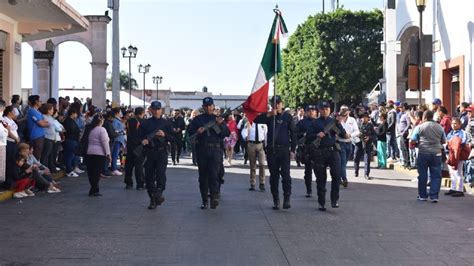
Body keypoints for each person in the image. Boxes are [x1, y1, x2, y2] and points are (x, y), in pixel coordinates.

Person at [254, 95, 297, 210]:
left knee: (286, 176)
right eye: (274, 103)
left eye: (278, 103)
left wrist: (293, 150)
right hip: (272, 150)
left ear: (282, 104)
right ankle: (276, 200)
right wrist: (269, 114)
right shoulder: (269, 116)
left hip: (284, 150)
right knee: (274, 177)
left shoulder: (287, 117)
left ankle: (287, 199)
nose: (276, 105)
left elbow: (293, 134)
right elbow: (256, 120)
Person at [188, 97, 229, 209]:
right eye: (206, 106)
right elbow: (190, 134)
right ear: (203, 107)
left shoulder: (217, 119)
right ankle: (205, 200)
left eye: (210, 105)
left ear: (213, 106)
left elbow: (225, 133)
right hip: (203, 150)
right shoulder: (197, 120)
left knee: (214, 174)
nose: (208, 108)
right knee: (203, 176)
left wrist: (220, 124)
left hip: (216, 150)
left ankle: (214, 196)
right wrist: (198, 131)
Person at [306, 101, 346, 211]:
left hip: (333, 151)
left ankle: (334, 200)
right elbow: (308, 137)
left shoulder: (333, 122)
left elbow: (343, 134)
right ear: (319, 110)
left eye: (327, 109)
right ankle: (321, 202)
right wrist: (317, 135)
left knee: (337, 175)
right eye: (323, 109)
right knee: (321, 179)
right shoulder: (315, 123)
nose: (325, 110)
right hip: (320, 153)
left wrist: (338, 124)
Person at [140, 101, 174, 210]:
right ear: (150, 110)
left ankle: (159, 192)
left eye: (158, 109)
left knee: (160, 173)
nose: (156, 111)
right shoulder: (145, 123)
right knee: (149, 177)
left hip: (161, 151)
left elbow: (173, 138)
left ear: (161, 110)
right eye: (154, 109)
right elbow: (138, 136)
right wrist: (144, 140)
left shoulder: (166, 123)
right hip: (149, 152)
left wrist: (165, 135)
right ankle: (152, 199)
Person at [410, 110, 446, 203]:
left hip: (423, 153)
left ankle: (422, 195)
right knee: (436, 175)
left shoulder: (419, 127)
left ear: (424, 117)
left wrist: (417, 143)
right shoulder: (440, 127)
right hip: (436, 153)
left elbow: (413, 140)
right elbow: (444, 141)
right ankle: (434, 196)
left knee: (422, 174)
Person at [86, 114, 111, 196]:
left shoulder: (91, 130)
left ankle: (93, 188)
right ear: (101, 121)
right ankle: (94, 189)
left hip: (90, 152)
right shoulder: (102, 130)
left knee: (91, 172)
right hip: (99, 153)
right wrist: (108, 153)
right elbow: (105, 142)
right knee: (97, 172)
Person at [296, 105, 318, 196]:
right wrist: (303, 135)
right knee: (308, 171)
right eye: (309, 110)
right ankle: (309, 190)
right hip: (307, 149)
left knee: (319, 171)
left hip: (318, 149)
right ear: (306, 112)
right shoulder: (302, 123)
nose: (311, 112)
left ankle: (320, 189)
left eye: (313, 110)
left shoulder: (319, 122)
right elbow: (295, 133)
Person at [445, 118, 469, 197]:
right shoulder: (450, 133)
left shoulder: (462, 133)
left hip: (458, 155)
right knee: (452, 172)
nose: (453, 125)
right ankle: (453, 188)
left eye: (455, 123)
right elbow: (446, 142)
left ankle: (460, 190)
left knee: (458, 172)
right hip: (450, 154)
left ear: (459, 124)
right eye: (452, 123)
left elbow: (463, 142)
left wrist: (454, 142)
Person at [241, 119, 267, 192]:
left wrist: (267, 145)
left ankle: (262, 183)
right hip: (251, 144)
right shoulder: (249, 122)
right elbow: (244, 131)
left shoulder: (263, 123)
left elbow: (266, 134)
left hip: (260, 144)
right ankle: (252, 183)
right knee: (253, 165)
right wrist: (245, 136)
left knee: (262, 164)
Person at [338, 105, 359, 187]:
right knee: (342, 162)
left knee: (344, 163)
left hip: (349, 142)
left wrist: (350, 135)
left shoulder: (352, 120)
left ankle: (339, 177)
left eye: (345, 110)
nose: (344, 111)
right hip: (340, 142)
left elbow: (357, 131)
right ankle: (344, 179)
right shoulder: (338, 119)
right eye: (342, 110)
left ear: (348, 111)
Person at [124, 107, 146, 190]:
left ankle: (128, 183)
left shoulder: (129, 121)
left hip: (130, 145)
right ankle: (140, 184)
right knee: (139, 166)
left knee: (129, 165)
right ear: (142, 113)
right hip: (139, 146)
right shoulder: (142, 122)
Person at [354, 112, 376, 179]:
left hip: (367, 144)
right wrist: (357, 134)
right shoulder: (358, 124)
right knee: (356, 158)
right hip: (358, 143)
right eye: (362, 117)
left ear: (367, 118)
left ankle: (366, 174)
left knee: (367, 159)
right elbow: (353, 133)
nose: (364, 118)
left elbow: (374, 135)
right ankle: (356, 171)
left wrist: (369, 137)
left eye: (365, 117)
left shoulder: (370, 125)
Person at [27, 95, 49, 160]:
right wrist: (46, 123)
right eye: (40, 101)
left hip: (40, 135)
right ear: (36, 102)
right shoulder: (32, 111)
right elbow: (42, 123)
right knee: (35, 156)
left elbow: (45, 121)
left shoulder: (38, 111)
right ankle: (34, 169)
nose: (41, 102)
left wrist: (45, 123)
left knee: (38, 155)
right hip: (36, 136)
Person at [62, 107, 81, 177]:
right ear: (73, 113)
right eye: (76, 114)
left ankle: (70, 169)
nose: (76, 115)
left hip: (73, 140)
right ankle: (69, 170)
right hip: (70, 140)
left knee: (71, 155)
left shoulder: (71, 120)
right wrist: (78, 131)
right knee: (69, 156)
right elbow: (71, 130)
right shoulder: (68, 121)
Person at [110, 107, 125, 176]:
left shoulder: (117, 120)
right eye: (120, 112)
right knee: (115, 154)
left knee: (116, 154)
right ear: (117, 113)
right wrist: (122, 132)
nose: (121, 113)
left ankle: (114, 168)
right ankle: (114, 169)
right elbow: (115, 130)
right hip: (117, 139)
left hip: (119, 140)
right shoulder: (115, 121)